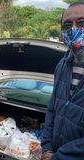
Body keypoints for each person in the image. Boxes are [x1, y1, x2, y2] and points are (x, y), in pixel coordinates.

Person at [41, 2, 84, 160]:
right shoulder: (62, 65)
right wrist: (46, 146)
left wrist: (58, 157)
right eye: (67, 24)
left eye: (82, 22)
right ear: (62, 33)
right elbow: (52, 108)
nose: (73, 29)